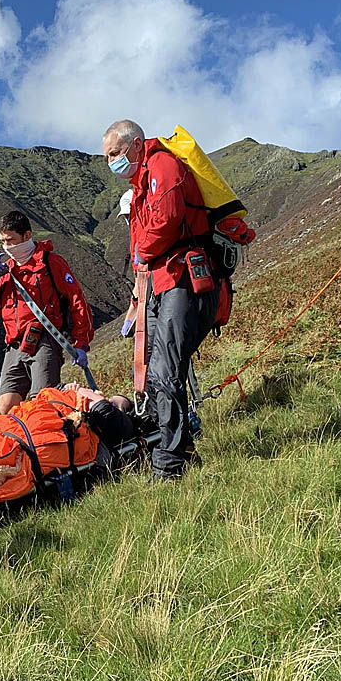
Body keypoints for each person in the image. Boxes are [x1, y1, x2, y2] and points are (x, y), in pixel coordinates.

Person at [102, 119, 220, 481]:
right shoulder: (142, 180)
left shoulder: (162, 166)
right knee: (155, 375)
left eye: (115, 153)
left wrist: (142, 252)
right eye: (107, 157)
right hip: (160, 281)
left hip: (180, 277)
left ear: (137, 144)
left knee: (165, 373)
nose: (112, 162)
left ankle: (169, 465)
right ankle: (176, 449)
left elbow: (167, 219)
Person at [0, 211, 93, 415]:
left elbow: (77, 301)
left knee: (43, 402)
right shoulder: (6, 270)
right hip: (14, 344)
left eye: (11, 240)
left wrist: (80, 342)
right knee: (6, 407)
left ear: (27, 235)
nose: (7, 246)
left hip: (45, 340)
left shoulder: (50, 263)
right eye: (3, 241)